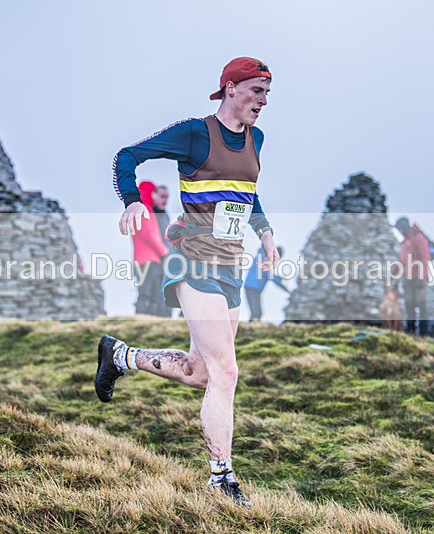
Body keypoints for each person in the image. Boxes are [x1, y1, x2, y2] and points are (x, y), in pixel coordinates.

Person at [97, 57, 277, 507]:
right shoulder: (197, 134)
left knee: (201, 373)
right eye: (256, 90)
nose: (263, 100)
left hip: (232, 265)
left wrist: (267, 233)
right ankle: (221, 478)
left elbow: (246, 195)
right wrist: (132, 200)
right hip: (194, 261)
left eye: (268, 93)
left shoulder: (255, 139)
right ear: (231, 89)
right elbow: (128, 155)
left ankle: (121, 356)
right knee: (227, 372)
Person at [131, 181, 171, 317]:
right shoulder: (144, 210)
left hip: (148, 260)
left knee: (152, 294)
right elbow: (149, 234)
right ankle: (140, 322)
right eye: (154, 192)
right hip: (147, 260)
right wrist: (165, 252)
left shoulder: (146, 210)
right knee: (146, 294)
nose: (155, 196)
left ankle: (144, 322)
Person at [394, 217, 431, 336]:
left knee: (421, 306)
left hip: (418, 279)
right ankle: (410, 332)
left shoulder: (418, 238)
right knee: (409, 305)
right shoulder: (405, 243)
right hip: (407, 279)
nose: (399, 232)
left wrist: (422, 278)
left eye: (399, 229)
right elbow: (401, 261)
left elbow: (425, 258)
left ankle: (423, 334)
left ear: (404, 227)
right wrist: (393, 274)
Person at [244, 245, 289, 321]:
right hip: (252, 287)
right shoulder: (264, 257)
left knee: (257, 313)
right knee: (256, 313)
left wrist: (279, 279)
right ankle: (249, 330)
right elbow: (267, 273)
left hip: (254, 287)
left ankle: (250, 329)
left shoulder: (264, 256)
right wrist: (281, 283)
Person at [152, 184, 171, 249]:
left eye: (167, 197)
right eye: (162, 196)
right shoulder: (149, 215)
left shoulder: (166, 215)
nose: (165, 200)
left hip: (168, 254)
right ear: (154, 196)